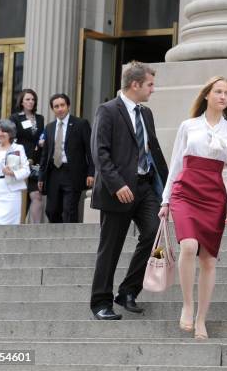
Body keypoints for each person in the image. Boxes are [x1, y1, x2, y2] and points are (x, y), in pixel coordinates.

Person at [159, 76, 227, 340]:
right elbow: (175, 164)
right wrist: (165, 199)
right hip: (185, 192)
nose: (223, 97)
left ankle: (201, 320)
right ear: (207, 95)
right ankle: (187, 305)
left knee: (208, 261)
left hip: (213, 197)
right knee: (188, 246)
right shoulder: (188, 126)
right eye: (218, 92)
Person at [90, 61, 169, 321]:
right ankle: (101, 302)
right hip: (118, 191)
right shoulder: (108, 110)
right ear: (135, 84)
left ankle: (128, 291)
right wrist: (117, 184)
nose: (153, 90)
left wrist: (169, 189)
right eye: (150, 84)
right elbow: (100, 153)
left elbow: (153, 151)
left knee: (154, 234)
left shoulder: (146, 113)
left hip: (146, 188)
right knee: (110, 248)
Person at [38, 93, 94, 223]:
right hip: (54, 173)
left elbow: (90, 150)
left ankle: (69, 239)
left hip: (72, 172)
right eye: (56, 106)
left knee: (69, 209)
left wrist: (91, 173)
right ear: (53, 109)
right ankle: (57, 238)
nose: (60, 109)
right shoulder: (49, 127)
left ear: (68, 106)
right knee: (51, 210)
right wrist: (41, 176)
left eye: (62, 105)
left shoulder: (81, 124)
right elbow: (45, 154)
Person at [10, 89, 45, 223]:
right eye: (28, 99)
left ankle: (35, 230)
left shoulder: (40, 118)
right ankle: (17, 227)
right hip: (20, 162)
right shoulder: (15, 118)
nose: (31, 102)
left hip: (36, 162)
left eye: (33, 99)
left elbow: (41, 136)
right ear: (22, 102)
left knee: (37, 195)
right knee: (20, 197)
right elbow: (11, 139)